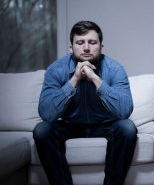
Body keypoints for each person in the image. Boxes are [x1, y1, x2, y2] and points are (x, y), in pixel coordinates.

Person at [33, 20, 137, 185]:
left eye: (92, 42)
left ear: (101, 47)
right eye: (80, 42)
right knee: (42, 130)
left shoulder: (115, 69)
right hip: (71, 125)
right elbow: (46, 114)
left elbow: (124, 111)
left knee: (128, 128)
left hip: (105, 124)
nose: (86, 47)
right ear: (71, 47)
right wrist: (74, 79)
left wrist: (95, 78)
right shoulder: (56, 70)